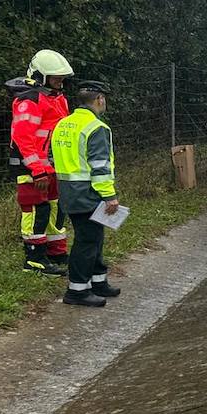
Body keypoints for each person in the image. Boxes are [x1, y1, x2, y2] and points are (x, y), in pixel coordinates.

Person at [49, 81, 122, 308]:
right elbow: (100, 166)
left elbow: (52, 156)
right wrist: (109, 196)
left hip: (68, 190)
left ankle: (98, 281)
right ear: (99, 99)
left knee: (94, 236)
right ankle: (77, 290)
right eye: (104, 99)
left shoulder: (63, 124)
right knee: (87, 240)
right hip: (88, 191)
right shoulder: (96, 127)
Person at [6, 49, 73, 275]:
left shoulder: (57, 98)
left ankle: (56, 252)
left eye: (62, 79)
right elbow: (23, 138)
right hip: (32, 167)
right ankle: (34, 258)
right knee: (36, 210)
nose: (60, 83)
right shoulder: (29, 100)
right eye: (56, 79)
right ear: (40, 76)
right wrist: (37, 170)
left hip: (52, 165)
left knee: (56, 208)